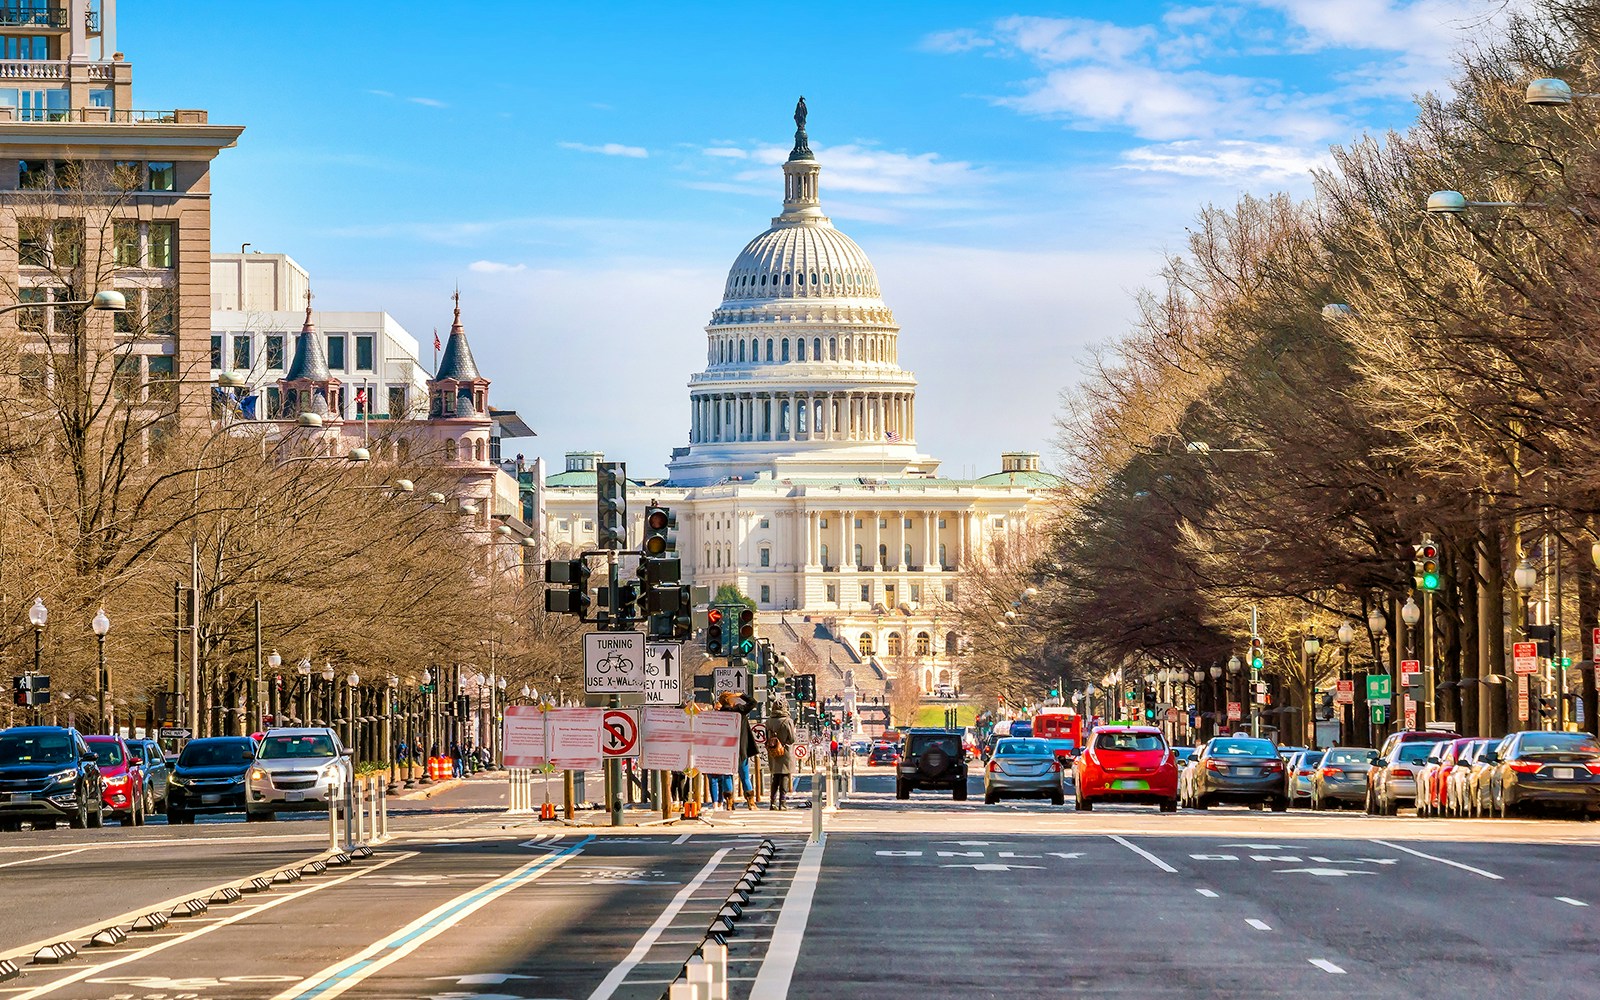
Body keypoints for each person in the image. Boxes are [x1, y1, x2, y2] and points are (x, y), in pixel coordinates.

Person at [764, 700, 797, 810]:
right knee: (784, 776)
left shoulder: (768, 722)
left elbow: (766, 737)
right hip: (785, 751)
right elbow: (792, 739)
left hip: (773, 751)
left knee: (775, 777)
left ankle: (772, 802)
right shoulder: (788, 721)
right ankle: (782, 802)